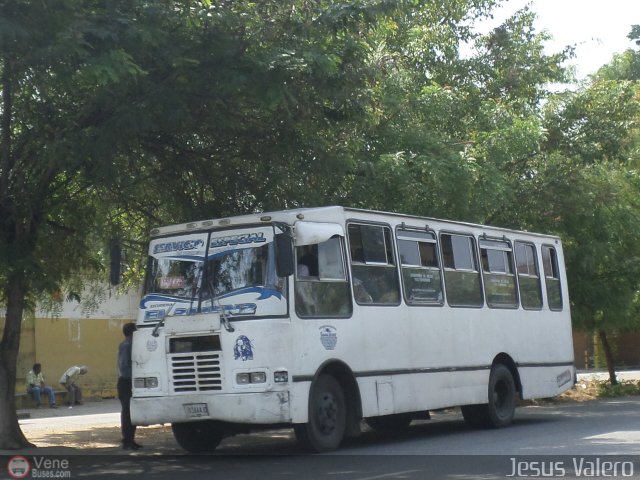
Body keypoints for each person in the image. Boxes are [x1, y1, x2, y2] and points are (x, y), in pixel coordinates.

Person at [118, 322, 141, 450]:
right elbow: (124, 366)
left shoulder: (130, 344)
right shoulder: (126, 345)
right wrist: (135, 376)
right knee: (127, 412)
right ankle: (127, 441)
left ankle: (130, 439)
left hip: (128, 381)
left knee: (131, 412)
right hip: (126, 382)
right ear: (133, 332)